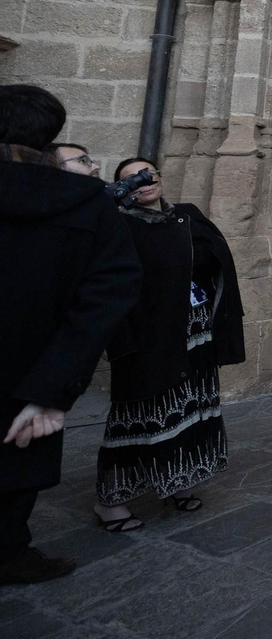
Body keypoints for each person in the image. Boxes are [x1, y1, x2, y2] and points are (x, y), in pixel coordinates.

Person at [0, 86, 140, 584]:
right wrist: (51, 391)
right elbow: (105, 299)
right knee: (18, 465)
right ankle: (10, 550)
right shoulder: (88, 205)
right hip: (34, 370)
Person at [92, 157, 246, 532]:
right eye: (132, 180)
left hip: (195, 331)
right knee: (141, 416)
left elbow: (218, 261)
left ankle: (177, 482)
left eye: (149, 174)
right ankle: (110, 502)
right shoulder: (120, 224)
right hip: (148, 336)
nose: (144, 183)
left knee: (192, 410)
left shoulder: (187, 216)